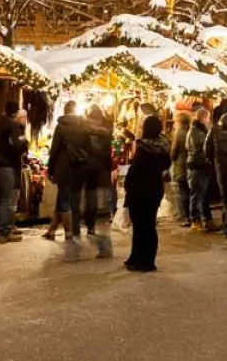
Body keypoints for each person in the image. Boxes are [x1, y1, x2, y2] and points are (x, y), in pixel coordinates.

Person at [123, 116, 171, 272]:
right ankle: (144, 258)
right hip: (155, 189)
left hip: (140, 190)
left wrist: (128, 184)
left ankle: (141, 259)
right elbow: (167, 165)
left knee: (140, 226)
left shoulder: (144, 148)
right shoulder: (163, 147)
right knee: (149, 225)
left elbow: (135, 170)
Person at [45, 101, 88, 245]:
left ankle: (68, 232)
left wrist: (50, 169)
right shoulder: (83, 126)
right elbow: (87, 147)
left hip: (63, 167)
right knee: (63, 196)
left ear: (65, 110)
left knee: (64, 198)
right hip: (78, 167)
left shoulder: (61, 127)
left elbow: (54, 150)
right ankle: (51, 230)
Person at [0, 100, 25, 242]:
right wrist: (24, 144)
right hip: (5, 166)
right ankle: (4, 231)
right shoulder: (12, 126)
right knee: (5, 200)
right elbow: (16, 146)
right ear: (15, 112)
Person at [81, 104, 115, 257]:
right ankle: (99, 223)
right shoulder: (106, 131)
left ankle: (89, 225)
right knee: (99, 196)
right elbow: (107, 150)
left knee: (89, 195)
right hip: (102, 168)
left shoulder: (83, 129)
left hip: (87, 167)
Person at [185, 108, 213, 231]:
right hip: (196, 166)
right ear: (203, 118)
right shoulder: (195, 132)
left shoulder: (200, 130)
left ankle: (206, 220)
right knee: (196, 194)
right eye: (207, 118)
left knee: (202, 195)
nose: (208, 121)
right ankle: (195, 221)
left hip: (200, 166)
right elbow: (199, 150)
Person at [169, 111, 193, 227]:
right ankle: (195, 217)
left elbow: (174, 151)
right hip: (192, 166)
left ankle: (187, 217)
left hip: (181, 165)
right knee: (192, 192)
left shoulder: (179, 134)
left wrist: (172, 160)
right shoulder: (192, 131)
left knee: (183, 192)